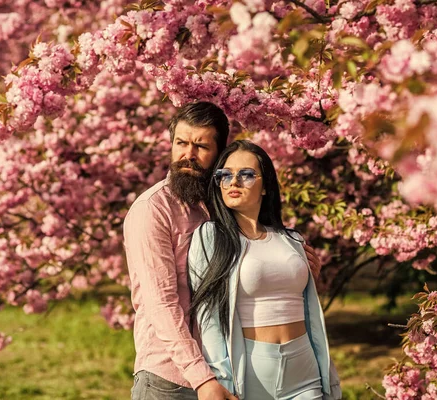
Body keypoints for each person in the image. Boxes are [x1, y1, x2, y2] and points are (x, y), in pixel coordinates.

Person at [124, 103, 322, 400]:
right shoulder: (152, 210)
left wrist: (301, 272)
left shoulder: (222, 207)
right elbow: (161, 305)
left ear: (219, 154)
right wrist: (202, 379)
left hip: (231, 373)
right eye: (181, 143)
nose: (188, 154)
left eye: (201, 146)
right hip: (171, 379)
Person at [188, 140, 342, 400]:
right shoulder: (211, 236)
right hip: (250, 373)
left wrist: (309, 280)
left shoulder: (292, 239)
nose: (233, 182)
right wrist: (219, 376)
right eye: (225, 175)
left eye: (246, 174)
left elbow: (303, 300)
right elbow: (208, 316)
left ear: (266, 186)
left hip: (304, 369)